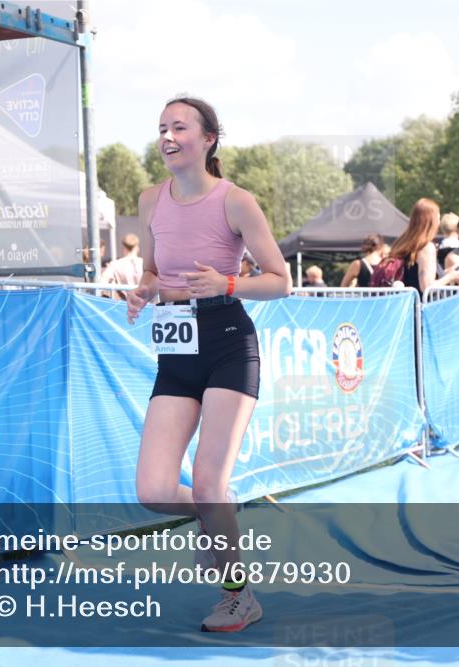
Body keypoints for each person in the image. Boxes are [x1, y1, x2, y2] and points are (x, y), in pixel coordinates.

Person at [125, 96, 290, 633]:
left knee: (207, 482)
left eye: (179, 127)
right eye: (162, 128)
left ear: (208, 139)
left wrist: (227, 283)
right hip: (176, 348)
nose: (167, 137)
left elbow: (280, 281)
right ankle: (217, 511)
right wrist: (143, 290)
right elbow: (153, 271)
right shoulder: (150, 200)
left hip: (227, 344)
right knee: (153, 491)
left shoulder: (236, 201)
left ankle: (239, 596)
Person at [375, 198, 459, 294]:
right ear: (432, 221)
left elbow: (413, 276)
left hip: (406, 301)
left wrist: (444, 274)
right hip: (421, 302)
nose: (439, 223)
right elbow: (427, 287)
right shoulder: (426, 248)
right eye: (438, 218)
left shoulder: (403, 243)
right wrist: (451, 276)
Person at [101, 233, 144, 298]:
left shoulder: (115, 264)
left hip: (125, 302)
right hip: (146, 302)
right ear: (137, 248)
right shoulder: (145, 263)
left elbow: (102, 283)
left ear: (123, 248)